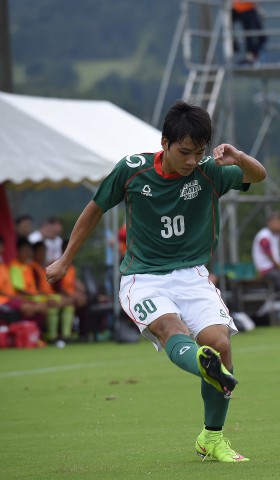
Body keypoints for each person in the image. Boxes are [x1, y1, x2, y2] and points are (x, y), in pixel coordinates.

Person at [46, 100, 266, 462]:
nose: (191, 161)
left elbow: (258, 177)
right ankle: (206, 367)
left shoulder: (209, 172)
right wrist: (66, 259)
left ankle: (212, 438)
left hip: (192, 277)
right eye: (184, 152)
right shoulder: (132, 170)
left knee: (220, 345)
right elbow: (95, 208)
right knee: (170, 329)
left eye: (199, 152)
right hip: (143, 279)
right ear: (164, 143)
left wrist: (239, 157)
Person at [0, 236, 48, 322]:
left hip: (13, 298)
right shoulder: (14, 266)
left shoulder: (3, 265)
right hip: (4, 300)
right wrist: (15, 297)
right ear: (17, 251)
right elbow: (15, 290)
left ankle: (34, 333)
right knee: (29, 308)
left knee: (42, 306)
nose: (28, 253)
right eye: (25, 250)